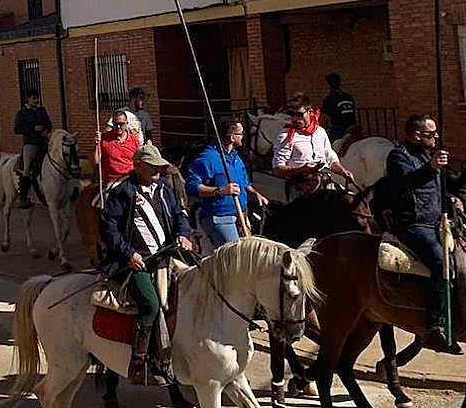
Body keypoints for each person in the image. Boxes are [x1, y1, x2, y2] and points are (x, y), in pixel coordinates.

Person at [97, 143, 194, 385]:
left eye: (159, 166)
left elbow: (180, 215)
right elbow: (109, 229)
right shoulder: (122, 191)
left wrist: (184, 235)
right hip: (135, 263)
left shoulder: (164, 189)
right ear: (137, 165)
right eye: (152, 166)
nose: (157, 170)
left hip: (165, 257)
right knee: (150, 305)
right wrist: (128, 254)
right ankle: (140, 362)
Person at [384, 114, 463, 355]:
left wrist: (451, 200)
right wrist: (432, 168)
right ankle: (433, 326)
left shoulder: (429, 156)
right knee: (441, 263)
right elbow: (405, 184)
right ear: (416, 135)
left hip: (438, 222)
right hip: (413, 225)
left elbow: (435, 190)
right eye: (431, 134)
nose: (436, 137)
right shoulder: (398, 156)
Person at [186, 117, 268, 248]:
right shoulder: (208, 158)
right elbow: (191, 187)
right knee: (236, 254)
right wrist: (220, 191)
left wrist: (255, 194)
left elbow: (244, 183)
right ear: (232, 137)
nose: (243, 136)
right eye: (241, 133)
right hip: (220, 218)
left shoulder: (236, 158)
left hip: (241, 216)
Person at [272, 93, 356, 199]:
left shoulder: (320, 132)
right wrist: (302, 169)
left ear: (310, 112)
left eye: (299, 114)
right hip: (301, 187)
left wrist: (343, 172)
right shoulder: (285, 136)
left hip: (324, 183)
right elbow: (278, 169)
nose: (295, 119)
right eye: (292, 115)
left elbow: (330, 159)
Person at [13, 92, 52, 208]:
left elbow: (49, 123)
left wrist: (46, 129)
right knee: (27, 169)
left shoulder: (42, 110)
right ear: (28, 99)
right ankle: (23, 197)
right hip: (31, 143)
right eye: (34, 98)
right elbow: (17, 129)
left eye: (37, 98)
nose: (36, 101)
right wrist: (33, 128)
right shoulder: (22, 113)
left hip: (44, 141)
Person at [95, 108, 143, 190]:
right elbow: (96, 161)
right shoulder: (104, 138)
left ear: (126, 124)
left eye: (121, 124)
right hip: (112, 182)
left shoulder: (135, 141)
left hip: (130, 180)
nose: (118, 127)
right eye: (115, 124)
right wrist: (97, 144)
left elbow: (140, 162)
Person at [320, 73, 357, 142]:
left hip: (340, 129)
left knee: (329, 144)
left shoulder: (329, 99)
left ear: (329, 85)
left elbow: (324, 118)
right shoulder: (349, 96)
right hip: (353, 126)